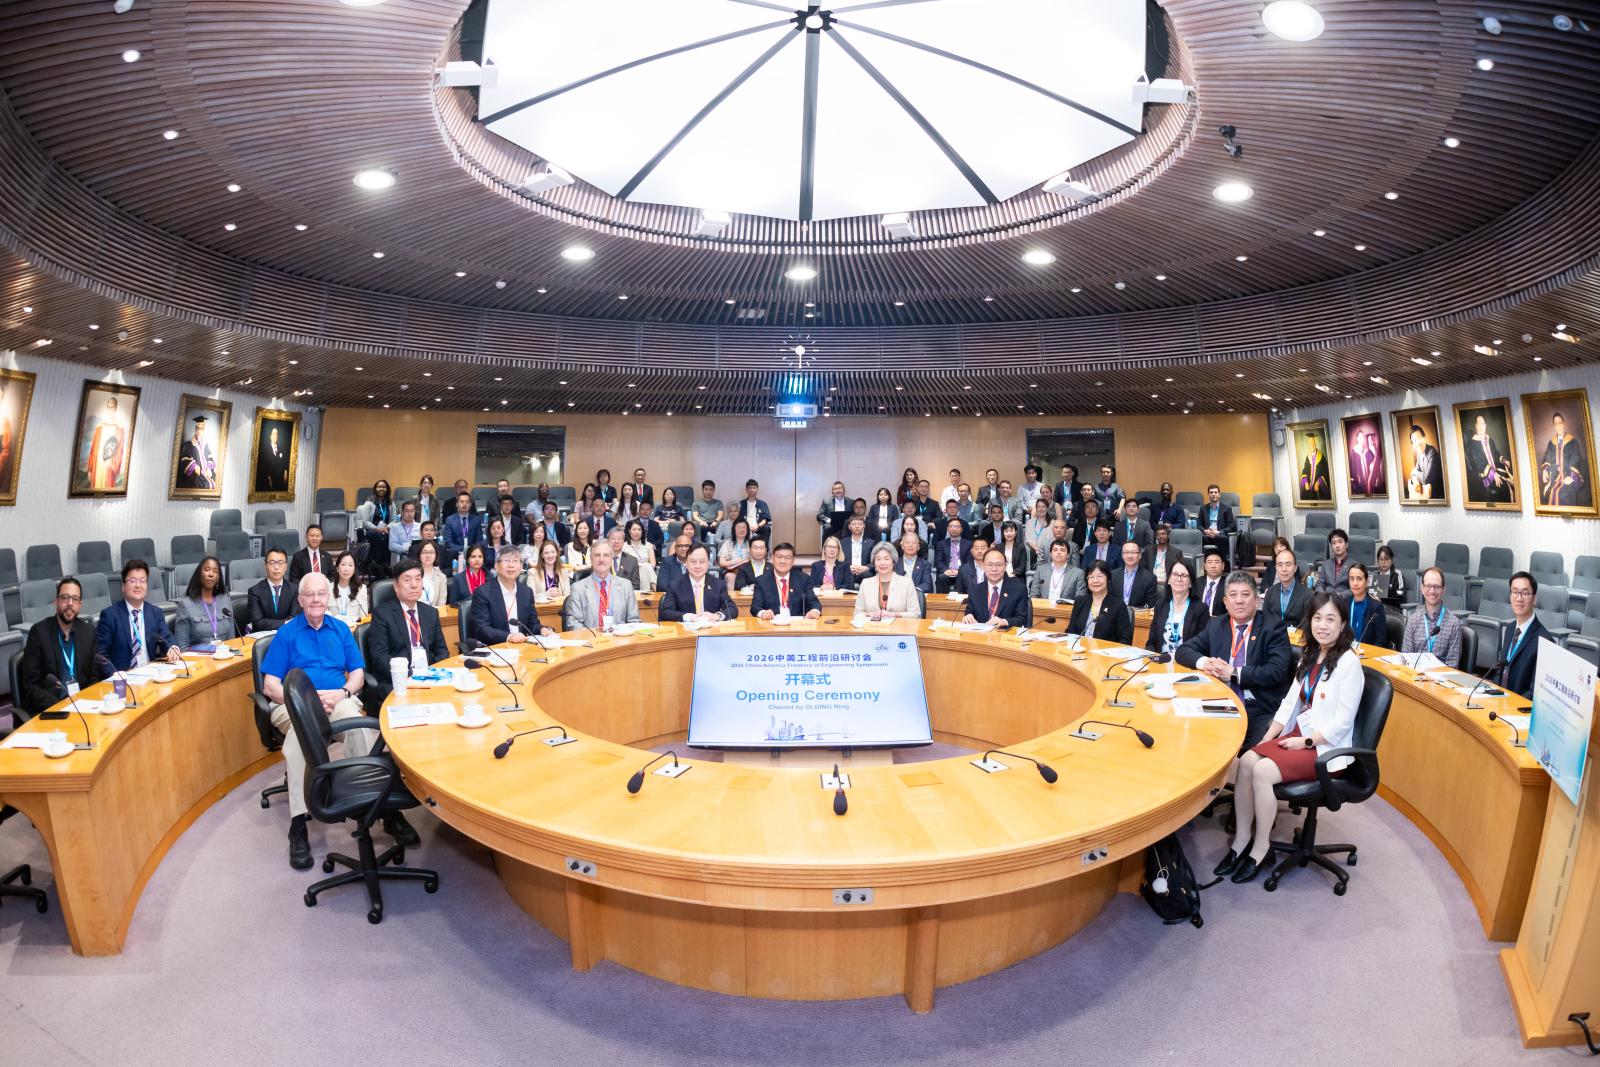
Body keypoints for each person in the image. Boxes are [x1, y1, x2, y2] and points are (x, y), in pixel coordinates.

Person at [260, 571, 414, 869]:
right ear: (300, 600)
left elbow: (357, 674)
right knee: (298, 743)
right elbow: (270, 686)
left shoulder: (341, 629)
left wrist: (343, 692)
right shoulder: (287, 634)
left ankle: (381, 808)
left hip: (337, 698)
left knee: (359, 728)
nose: (316, 600)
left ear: (327, 597)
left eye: (321, 594)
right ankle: (298, 824)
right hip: (295, 704)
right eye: (310, 595)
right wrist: (304, 700)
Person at [1215, 590, 1363, 884]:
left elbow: (1342, 723)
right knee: (1247, 761)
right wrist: (1265, 740)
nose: (1322, 625)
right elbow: (1288, 705)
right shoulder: (1310, 654)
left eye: (1330, 619)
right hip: (1301, 734)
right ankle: (1241, 840)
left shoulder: (1349, 663)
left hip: (1325, 748)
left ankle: (1261, 848)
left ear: (1343, 624)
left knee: (1262, 772)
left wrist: (1305, 742)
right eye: (1317, 618)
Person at [1176, 570, 1294, 747]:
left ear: (1257, 600)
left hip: (1257, 706)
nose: (1239, 600)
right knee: (1193, 739)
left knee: (1244, 751)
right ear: (1225, 602)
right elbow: (1183, 651)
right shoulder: (1217, 625)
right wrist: (1205, 662)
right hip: (1221, 702)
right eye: (1233, 595)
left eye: (1245, 594)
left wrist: (1234, 673)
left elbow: (1277, 671)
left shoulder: (1273, 627)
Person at [365, 558, 450, 702]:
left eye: (418, 579)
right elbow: (379, 656)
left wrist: (432, 673)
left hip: (429, 678)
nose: (414, 585)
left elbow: (442, 650)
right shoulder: (382, 614)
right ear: (396, 586)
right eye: (407, 580)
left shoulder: (430, 613)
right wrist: (409, 675)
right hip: (398, 682)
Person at [18, 577, 103, 717]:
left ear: (80, 604)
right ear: (56, 601)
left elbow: (94, 678)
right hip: (52, 710)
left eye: (75, 599)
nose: (70, 603)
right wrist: (62, 708)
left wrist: (87, 703)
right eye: (65, 597)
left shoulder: (89, 633)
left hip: (84, 708)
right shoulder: (39, 633)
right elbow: (31, 686)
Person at [96, 559, 182, 670]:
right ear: (123, 586)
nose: (138, 585)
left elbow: (166, 637)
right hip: (123, 677)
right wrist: (116, 676)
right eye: (132, 581)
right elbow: (101, 656)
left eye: (142, 581)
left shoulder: (155, 613)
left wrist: (172, 647)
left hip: (150, 674)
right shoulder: (110, 616)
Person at [470, 547, 555, 645]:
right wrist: (508, 637)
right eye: (506, 561)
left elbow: (532, 624)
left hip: (523, 646)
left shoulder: (526, 592)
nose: (511, 565)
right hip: (496, 648)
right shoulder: (482, 593)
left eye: (515, 561)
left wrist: (542, 629)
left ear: (521, 566)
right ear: (496, 565)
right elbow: (482, 629)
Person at [564, 541, 641, 632]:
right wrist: (598, 638)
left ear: (612, 558)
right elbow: (574, 625)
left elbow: (634, 622)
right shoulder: (578, 588)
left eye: (606, 555)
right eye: (597, 555)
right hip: (591, 639)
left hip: (620, 639)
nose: (601, 559)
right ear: (591, 559)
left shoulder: (626, 586)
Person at [1498, 572, 1550, 699]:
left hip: (1518, 707)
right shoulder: (1510, 628)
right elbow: (1500, 671)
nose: (1519, 598)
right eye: (1515, 592)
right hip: (1499, 700)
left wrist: (1509, 704)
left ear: (1534, 599)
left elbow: (1534, 692)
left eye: (1525, 593)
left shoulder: (1544, 640)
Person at [659, 543, 739, 622]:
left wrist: (717, 616)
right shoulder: (674, 585)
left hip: (711, 628)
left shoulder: (718, 585)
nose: (697, 566)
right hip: (685, 629)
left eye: (702, 561)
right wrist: (688, 617)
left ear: (708, 563)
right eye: (693, 561)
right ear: (686, 563)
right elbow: (666, 612)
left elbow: (732, 609)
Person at [173, 556, 237, 649]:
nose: (211, 574)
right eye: (207, 570)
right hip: (199, 657)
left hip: (225, 655)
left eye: (215, 571)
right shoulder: (185, 605)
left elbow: (232, 641)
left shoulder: (225, 600)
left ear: (218, 578)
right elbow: (182, 647)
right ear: (199, 574)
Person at [1146, 558, 1207, 654]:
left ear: (1190, 583)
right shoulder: (1160, 605)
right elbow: (1151, 643)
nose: (1179, 579)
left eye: (1184, 575)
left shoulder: (1200, 609)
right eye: (1175, 574)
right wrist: (1154, 657)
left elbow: (1202, 647)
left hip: (1186, 661)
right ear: (1169, 580)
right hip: (1161, 660)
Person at [752, 543, 822, 620]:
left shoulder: (803, 579)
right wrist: (763, 613)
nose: (783, 561)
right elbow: (755, 607)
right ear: (772, 558)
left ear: (793, 560)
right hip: (772, 623)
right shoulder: (761, 581)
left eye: (787, 558)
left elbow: (814, 602)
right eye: (779, 557)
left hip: (797, 624)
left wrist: (814, 611)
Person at [965, 548, 1031, 629]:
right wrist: (968, 616)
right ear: (984, 566)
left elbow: (1022, 619)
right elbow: (969, 612)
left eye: (999, 565)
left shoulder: (1019, 589)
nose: (994, 569)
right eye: (990, 565)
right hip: (980, 635)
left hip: (1006, 635)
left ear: (1005, 566)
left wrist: (1005, 621)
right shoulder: (975, 590)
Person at [1067, 561, 1131, 643]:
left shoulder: (1118, 605)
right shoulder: (1080, 602)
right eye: (1091, 577)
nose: (1095, 580)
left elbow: (1125, 638)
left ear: (1108, 579)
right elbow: (1071, 631)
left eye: (1099, 576)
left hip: (1106, 650)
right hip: (1080, 649)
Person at [854, 543, 922, 620]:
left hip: (899, 626)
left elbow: (915, 613)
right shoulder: (865, 583)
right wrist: (870, 614)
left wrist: (893, 614)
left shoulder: (906, 583)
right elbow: (857, 613)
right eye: (878, 559)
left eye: (886, 559)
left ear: (893, 562)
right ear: (874, 563)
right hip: (872, 626)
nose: (882, 563)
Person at [1539, 411, 1592, 508]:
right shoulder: (1552, 442)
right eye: (1556, 423)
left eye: (1560, 423)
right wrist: (1545, 470)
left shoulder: (1572, 441)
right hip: (1555, 476)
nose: (1558, 426)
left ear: (1563, 424)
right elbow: (1547, 457)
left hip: (1569, 475)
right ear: (1554, 426)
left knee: (1564, 493)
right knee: (1550, 491)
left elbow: (1576, 459)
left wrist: (1572, 476)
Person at [243, 548, 300, 633]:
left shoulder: (295, 589)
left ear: (286, 566)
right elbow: (258, 623)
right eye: (272, 563)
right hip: (263, 638)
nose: (276, 567)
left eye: (280, 563)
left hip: (287, 635)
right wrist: (285, 623)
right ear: (265, 566)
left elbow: (294, 619)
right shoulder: (254, 591)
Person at [1261, 547, 1310, 628]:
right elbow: (1264, 620)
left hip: (1296, 635)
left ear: (1295, 568)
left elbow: (1306, 625)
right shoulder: (1270, 592)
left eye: (1288, 564)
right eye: (1280, 565)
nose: (1284, 569)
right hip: (1272, 635)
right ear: (1276, 568)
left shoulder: (1307, 595)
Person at [1030, 538, 1087, 604]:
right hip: (1043, 608)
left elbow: (1080, 599)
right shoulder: (1041, 570)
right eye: (1055, 550)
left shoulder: (1078, 573)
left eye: (1062, 550)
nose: (1058, 552)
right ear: (1050, 554)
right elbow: (1034, 594)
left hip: (1066, 609)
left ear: (1068, 555)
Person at [357, 479, 395, 577]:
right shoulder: (369, 502)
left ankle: (386, 564)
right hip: (371, 530)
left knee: (388, 536)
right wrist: (377, 529)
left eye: (384, 487)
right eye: (379, 487)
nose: (381, 489)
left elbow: (394, 520)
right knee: (378, 536)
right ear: (375, 489)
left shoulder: (391, 503)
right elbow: (365, 522)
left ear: (387, 489)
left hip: (386, 530)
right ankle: (377, 565)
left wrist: (387, 527)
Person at [1345, 562, 1389, 647]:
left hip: (1366, 652)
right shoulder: (1345, 603)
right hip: (1346, 650)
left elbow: (1380, 641)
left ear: (1367, 582)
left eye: (1359, 579)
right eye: (1351, 579)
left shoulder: (1376, 607)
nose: (1355, 583)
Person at [175, 413, 218, 490]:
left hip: (207, 474)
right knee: (202, 486)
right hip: (196, 475)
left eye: (201, 430)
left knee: (215, 485)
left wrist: (209, 468)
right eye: (197, 429)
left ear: (203, 431)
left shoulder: (205, 444)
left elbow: (210, 457)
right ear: (195, 430)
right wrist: (194, 466)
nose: (199, 432)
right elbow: (183, 460)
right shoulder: (188, 445)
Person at [1111, 541, 1158, 610]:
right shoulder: (1113, 575)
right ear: (1122, 555)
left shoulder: (1149, 578)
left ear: (1140, 555)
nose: (1130, 556)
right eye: (1126, 552)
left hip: (1137, 614)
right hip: (1116, 613)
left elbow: (1150, 605)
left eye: (1133, 552)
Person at [1406, 423, 1445, 501]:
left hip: (1438, 498)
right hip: (1426, 496)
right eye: (1414, 441)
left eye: (1419, 438)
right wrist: (1416, 481)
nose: (1417, 443)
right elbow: (1413, 476)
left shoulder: (1432, 452)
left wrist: (1414, 472)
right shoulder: (1419, 455)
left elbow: (1427, 479)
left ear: (1424, 438)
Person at [441, 491, 483, 563]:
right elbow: (449, 543)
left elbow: (479, 541)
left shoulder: (476, 520)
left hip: (473, 556)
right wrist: (464, 550)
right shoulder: (450, 520)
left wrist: (471, 551)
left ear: (470, 504)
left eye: (467, 502)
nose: (464, 504)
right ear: (457, 504)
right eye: (462, 502)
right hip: (455, 556)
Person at [1197, 484, 1235, 564]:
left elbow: (1232, 526)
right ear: (1208, 495)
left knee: (1222, 538)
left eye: (1215, 492)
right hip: (1207, 536)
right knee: (1197, 538)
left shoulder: (1226, 509)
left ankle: (1223, 562)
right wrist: (1205, 531)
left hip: (1220, 536)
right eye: (1211, 492)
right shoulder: (1203, 508)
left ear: (1219, 494)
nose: (1213, 494)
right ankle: (1201, 564)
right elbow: (1199, 525)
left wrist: (1218, 532)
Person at [329, 550, 369, 622]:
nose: (346, 569)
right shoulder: (328, 589)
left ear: (354, 570)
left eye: (350, 565)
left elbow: (364, 616)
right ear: (337, 568)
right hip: (334, 627)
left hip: (355, 627)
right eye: (343, 564)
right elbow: (325, 614)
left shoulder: (362, 589)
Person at [934, 518, 971, 593]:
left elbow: (969, 561)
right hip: (947, 572)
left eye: (957, 526)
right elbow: (938, 560)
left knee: (966, 577)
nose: (954, 529)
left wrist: (959, 571)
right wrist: (946, 570)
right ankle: (942, 600)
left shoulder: (969, 544)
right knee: (941, 577)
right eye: (951, 526)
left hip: (962, 572)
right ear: (947, 529)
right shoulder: (941, 544)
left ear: (961, 529)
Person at [621, 519, 658, 591]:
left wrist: (643, 567)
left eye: (639, 530)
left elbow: (653, 563)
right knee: (645, 566)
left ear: (642, 531)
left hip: (646, 572)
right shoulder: (623, 546)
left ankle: (644, 592)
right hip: (630, 573)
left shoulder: (649, 545)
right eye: (634, 529)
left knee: (645, 568)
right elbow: (623, 564)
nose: (636, 532)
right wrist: (640, 566)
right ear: (629, 531)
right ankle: (656, 590)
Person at [1349, 428, 1386, 497]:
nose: (1361, 439)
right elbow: (1353, 468)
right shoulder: (1354, 451)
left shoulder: (1366, 451)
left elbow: (1374, 459)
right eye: (1360, 437)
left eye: (1363, 437)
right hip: (1359, 481)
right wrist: (1357, 479)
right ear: (1357, 438)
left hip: (1367, 479)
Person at [840, 514, 874, 584]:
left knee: (867, 575)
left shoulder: (870, 543)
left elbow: (874, 561)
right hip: (848, 572)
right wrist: (848, 567)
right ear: (849, 526)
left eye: (860, 524)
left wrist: (866, 568)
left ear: (864, 526)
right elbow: (839, 560)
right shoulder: (842, 543)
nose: (857, 526)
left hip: (864, 572)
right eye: (854, 524)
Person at [1317, 528, 1353, 593]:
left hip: (1343, 598)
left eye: (1340, 542)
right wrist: (1323, 595)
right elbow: (1320, 584)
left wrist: (1341, 595)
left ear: (1346, 544)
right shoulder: (1326, 564)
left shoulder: (1353, 565)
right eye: (1334, 543)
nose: (1337, 545)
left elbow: (1355, 588)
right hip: (1326, 597)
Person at [415, 540, 449, 608]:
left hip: (434, 613)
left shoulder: (441, 577)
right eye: (424, 552)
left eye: (431, 552)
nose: (428, 555)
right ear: (419, 555)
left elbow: (441, 605)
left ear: (436, 555)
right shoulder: (411, 574)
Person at [1196, 545, 1229, 616]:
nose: (1213, 566)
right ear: (1205, 566)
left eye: (1217, 562)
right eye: (1210, 562)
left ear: (1223, 566)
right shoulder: (1196, 583)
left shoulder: (1228, 585)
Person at [1298, 432, 1331, 501]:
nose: (1312, 445)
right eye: (1310, 443)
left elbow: (1326, 472)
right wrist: (1305, 482)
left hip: (1318, 488)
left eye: (1313, 443)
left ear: (1316, 443)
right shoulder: (1308, 456)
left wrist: (1319, 482)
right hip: (1309, 487)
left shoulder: (1321, 457)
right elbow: (1305, 470)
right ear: (1308, 445)